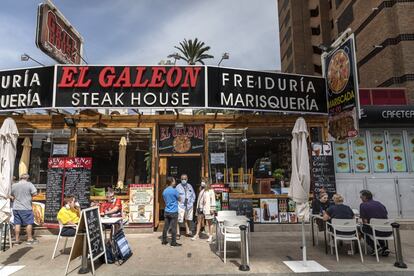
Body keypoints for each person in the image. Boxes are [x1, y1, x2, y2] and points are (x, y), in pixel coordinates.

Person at [359, 190, 391, 257]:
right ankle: (384, 248)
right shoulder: (379, 203)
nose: (360, 198)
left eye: (361, 196)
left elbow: (365, 221)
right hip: (387, 230)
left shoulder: (363, 205)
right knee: (377, 227)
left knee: (360, 228)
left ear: (365, 197)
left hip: (376, 230)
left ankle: (375, 247)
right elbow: (385, 214)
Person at [10, 174, 38, 245]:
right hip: (26, 207)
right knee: (28, 223)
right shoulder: (29, 184)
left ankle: (16, 240)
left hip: (16, 207)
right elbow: (35, 193)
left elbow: (10, 194)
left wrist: (14, 197)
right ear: (27, 178)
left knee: (17, 223)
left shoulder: (14, 185)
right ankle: (29, 239)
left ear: (20, 178)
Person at [192, 178, 216, 242]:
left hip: (208, 209)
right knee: (198, 222)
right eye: (202, 181)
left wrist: (212, 208)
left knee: (209, 223)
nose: (202, 183)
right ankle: (196, 234)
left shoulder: (211, 190)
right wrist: (197, 208)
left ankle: (210, 236)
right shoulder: (201, 190)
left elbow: (213, 200)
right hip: (200, 208)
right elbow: (199, 200)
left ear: (207, 182)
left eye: (203, 181)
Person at [162, 176, 181, 247]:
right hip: (174, 211)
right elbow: (179, 199)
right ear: (171, 182)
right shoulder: (174, 190)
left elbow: (165, 200)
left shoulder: (164, 191)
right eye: (174, 181)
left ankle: (164, 240)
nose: (175, 182)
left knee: (165, 227)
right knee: (174, 228)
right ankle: (173, 242)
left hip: (167, 210)